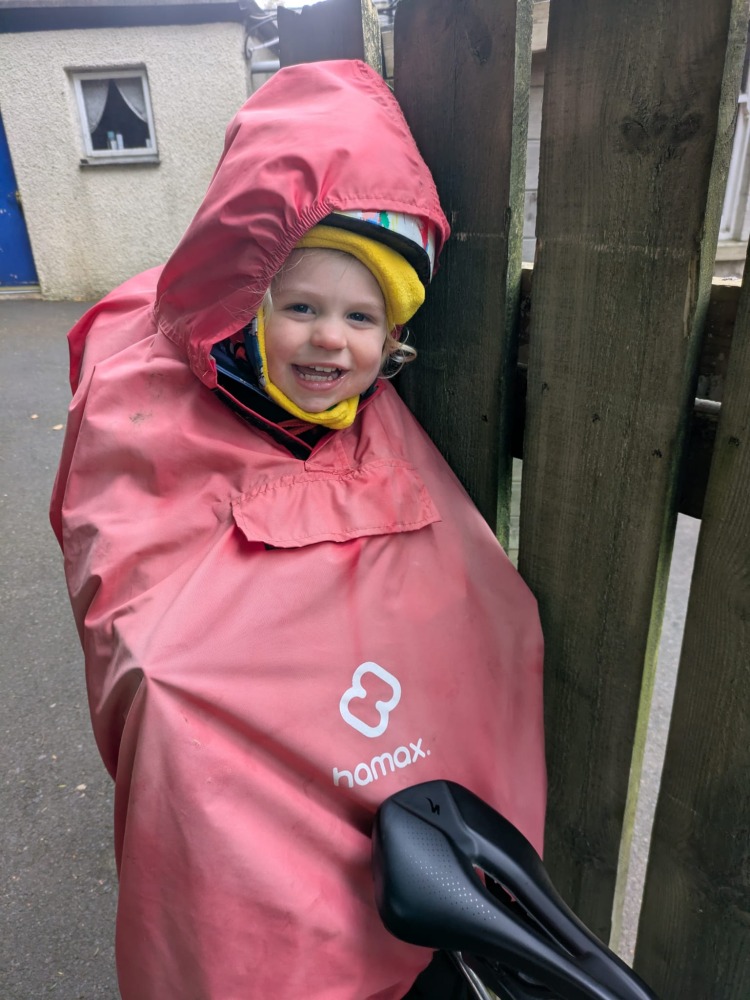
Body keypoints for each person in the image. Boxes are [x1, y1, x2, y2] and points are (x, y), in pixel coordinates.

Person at [50, 59, 546, 999]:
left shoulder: (371, 418)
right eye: (302, 307)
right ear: (246, 300)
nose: (332, 341)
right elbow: (145, 615)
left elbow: (473, 598)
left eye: (364, 318)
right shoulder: (144, 398)